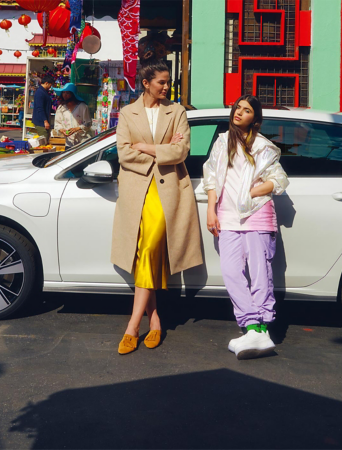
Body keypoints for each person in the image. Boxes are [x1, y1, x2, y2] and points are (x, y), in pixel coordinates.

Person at [111, 59, 203, 355]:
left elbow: (182, 150)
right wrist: (163, 151)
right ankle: (155, 319)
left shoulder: (176, 112)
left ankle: (132, 325)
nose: (166, 87)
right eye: (161, 82)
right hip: (137, 190)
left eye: (168, 82)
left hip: (167, 190)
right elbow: (124, 155)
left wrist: (147, 147)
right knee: (144, 253)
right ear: (146, 83)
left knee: (149, 247)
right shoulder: (128, 112)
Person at [202, 94, 289, 360]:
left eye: (246, 110)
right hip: (227, 218)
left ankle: (260, 328)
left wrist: (252, 193)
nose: (239, 112)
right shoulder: (222, 142)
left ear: (255, 118)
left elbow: (280, 179)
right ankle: (252, 325)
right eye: (237, 108)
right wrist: (210, 209)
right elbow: (212, 177)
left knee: (260, 273)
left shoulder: (263, 146)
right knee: (230, 272)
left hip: (257, 215)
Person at [53, 83, 92, 148]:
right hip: (69, 143)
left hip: (83, 142)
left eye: (67, 93)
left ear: (73, 94)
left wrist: (77, 128)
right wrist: (62, 130)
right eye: (63, 93)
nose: (65, 95)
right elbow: (57, 123)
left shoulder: (83, 107)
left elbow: (88, 123)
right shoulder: (61, 108)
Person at [32, 76, 54, 141]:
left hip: (43, 121)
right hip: (41, 123)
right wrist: (45, 121)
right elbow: (40, 108)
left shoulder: (43, 92)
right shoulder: (40, 93)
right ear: (47, 83)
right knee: (44, 141)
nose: (50, 87)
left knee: (46, 139)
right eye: (50, 85)